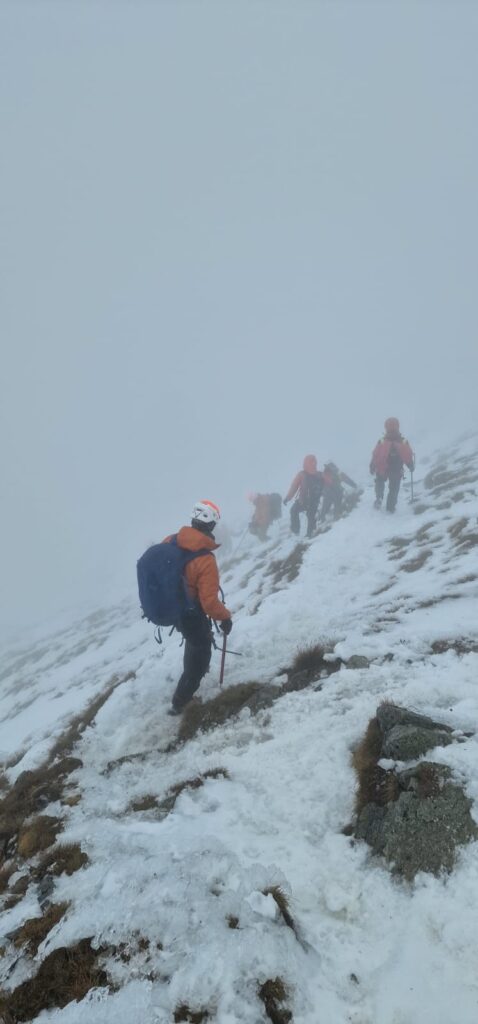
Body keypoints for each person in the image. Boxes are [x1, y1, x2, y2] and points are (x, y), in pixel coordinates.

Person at [165, 500, 232, 715]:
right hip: (191, 613)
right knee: (200, 657)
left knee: (194, 642)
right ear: (212, 526)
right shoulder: (204, 559)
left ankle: (184, 688)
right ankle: (180, 703)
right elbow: (209, 602)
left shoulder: (171, 541)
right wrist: (225, 617)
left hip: (174, 608)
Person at [370, 418, 414, 512]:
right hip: (396, 469)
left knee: (379, 482)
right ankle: (390, 507)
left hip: (382, 467)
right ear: (398, 426)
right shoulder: (403, 441)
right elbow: (407, 455)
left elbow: (375, 454)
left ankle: (379, 497)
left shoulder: (381, 441)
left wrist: (372, 465)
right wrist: (410, 465)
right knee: (394, 488)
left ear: (386, 427)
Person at [284, 455, 324, 538]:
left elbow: (294, 487)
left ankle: (295, 530)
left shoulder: (302, 474)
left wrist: (287, 498)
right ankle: (310, 534)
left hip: (303, 501)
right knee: (311, 516)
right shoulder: (320, 475)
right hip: (314, 501)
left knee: (294, 511)